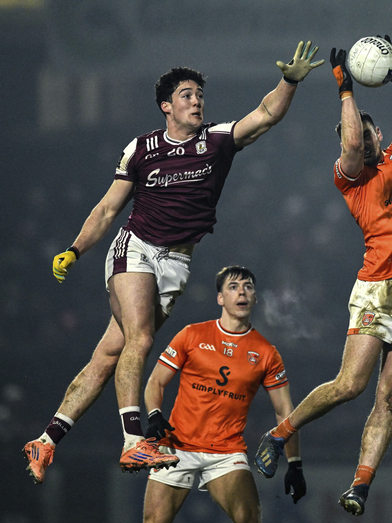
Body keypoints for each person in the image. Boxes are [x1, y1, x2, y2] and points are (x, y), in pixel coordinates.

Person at [22, 41, 324, 484]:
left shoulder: (217, 140)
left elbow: (267, 114)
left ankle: (45, 441)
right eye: (187, 94)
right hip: (136, 247)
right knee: (140, 339)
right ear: (166, 106)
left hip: (176, 266)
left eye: (200, 94)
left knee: (108, 357)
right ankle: (134, 442)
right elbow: (108, 209)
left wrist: (289, 81)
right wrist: (76, 249)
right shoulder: (141, 149)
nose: (197, 100)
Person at [254, 35, 392, 517]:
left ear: (380, 131)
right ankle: (280, 433)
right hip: (378, 287)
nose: (358, 139)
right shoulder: (349, 173)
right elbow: (352, 142)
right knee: (350, 385)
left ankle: (360, 484)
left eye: (365, 130)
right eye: (349, 136)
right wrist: (344, 90)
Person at [141, 265, 305, 523]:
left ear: (255, 298)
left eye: (248, 287)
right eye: (233, 287)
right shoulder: (192, 334)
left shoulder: (266, 353)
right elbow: (155, 382)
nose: (242, 292)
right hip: (177, 445)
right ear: (220, 298)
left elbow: (285, 410)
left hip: (226, 452)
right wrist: (154, 414)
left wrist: (295, 463)